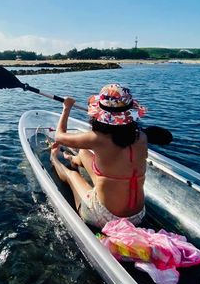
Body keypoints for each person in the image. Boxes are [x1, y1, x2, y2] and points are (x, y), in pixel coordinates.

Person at [50, 83, 148, 228]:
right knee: (84, 152)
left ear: (99, 113)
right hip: (138, 215)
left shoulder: (96, 139)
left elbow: (59, 136)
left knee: (72, 175)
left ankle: (55, 160)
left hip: (105, 218)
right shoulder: (142, 137)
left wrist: (67, 107)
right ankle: (73, 159)